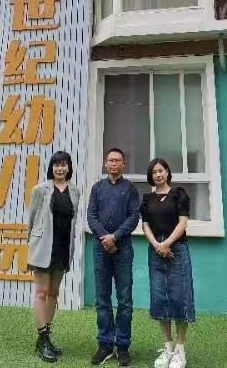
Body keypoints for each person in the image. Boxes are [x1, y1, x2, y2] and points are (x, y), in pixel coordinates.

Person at [87, 148, 140, 367]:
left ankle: (123, 346)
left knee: (125, 300)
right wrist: (105, 238)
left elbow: (133, 217)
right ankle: (105, 345)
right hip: (100, 249)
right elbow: (91, 216)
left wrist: (115, 237)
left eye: (118, 160)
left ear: (123, 164)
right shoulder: (97, 188)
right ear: (105, 163)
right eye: (110, 160)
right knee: (102, 299)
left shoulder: (130, 189)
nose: (114, 163)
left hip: (123, 249)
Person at [141, 158, 195, 368]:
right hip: (155, 250)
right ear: (150, 176)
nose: (158, 175)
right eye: (154, 172)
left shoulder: (179, 194)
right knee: (160, 297)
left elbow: (183, 222)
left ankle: (180, 350)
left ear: (167, 172)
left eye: (161, 170)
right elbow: (145, 225)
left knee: (180, 296)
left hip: (177, 249)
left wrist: (167, 243)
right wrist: (157, 245)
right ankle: (168, 348)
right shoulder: (147, 199)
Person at [27, 150, 80, 363]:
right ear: (51, 168)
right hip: (43, 247)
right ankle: (42, 340)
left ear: (69, 167)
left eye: (64, 164)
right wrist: (33, 244)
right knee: (41, 292)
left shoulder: (75, 191)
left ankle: (46, 336)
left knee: (53, 292)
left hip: (62, 246)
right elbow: (32, 219)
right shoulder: (40, 189)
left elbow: (73, 220)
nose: (60, 168)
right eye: (56, 164)